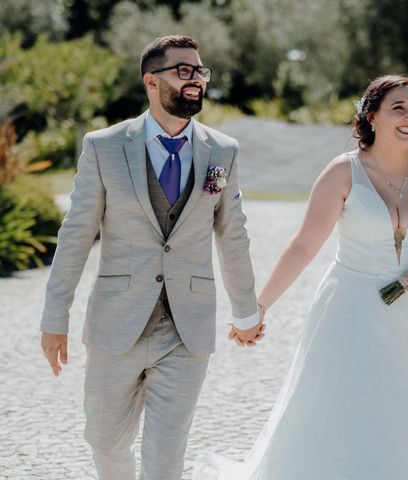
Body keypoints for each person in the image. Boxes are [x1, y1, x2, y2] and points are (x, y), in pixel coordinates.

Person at [193, 75, 408, 479]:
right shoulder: (342, 173)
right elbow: (303, 246)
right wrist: (257, 307)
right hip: (353, 310)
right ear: (371, 116)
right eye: (398, 108)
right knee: (353, 413)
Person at [39, 35, 265, 480]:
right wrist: (54, 316)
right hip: (116, 324)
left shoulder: (222, 151)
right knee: (106, 444)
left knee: (165, 459)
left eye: (200, 71)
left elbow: (233, 236)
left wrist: (246, 311)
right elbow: (77, 234)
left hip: (187, 329)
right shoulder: (103, 146)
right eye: (184, 71)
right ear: (150, 80)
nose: (196, 80)